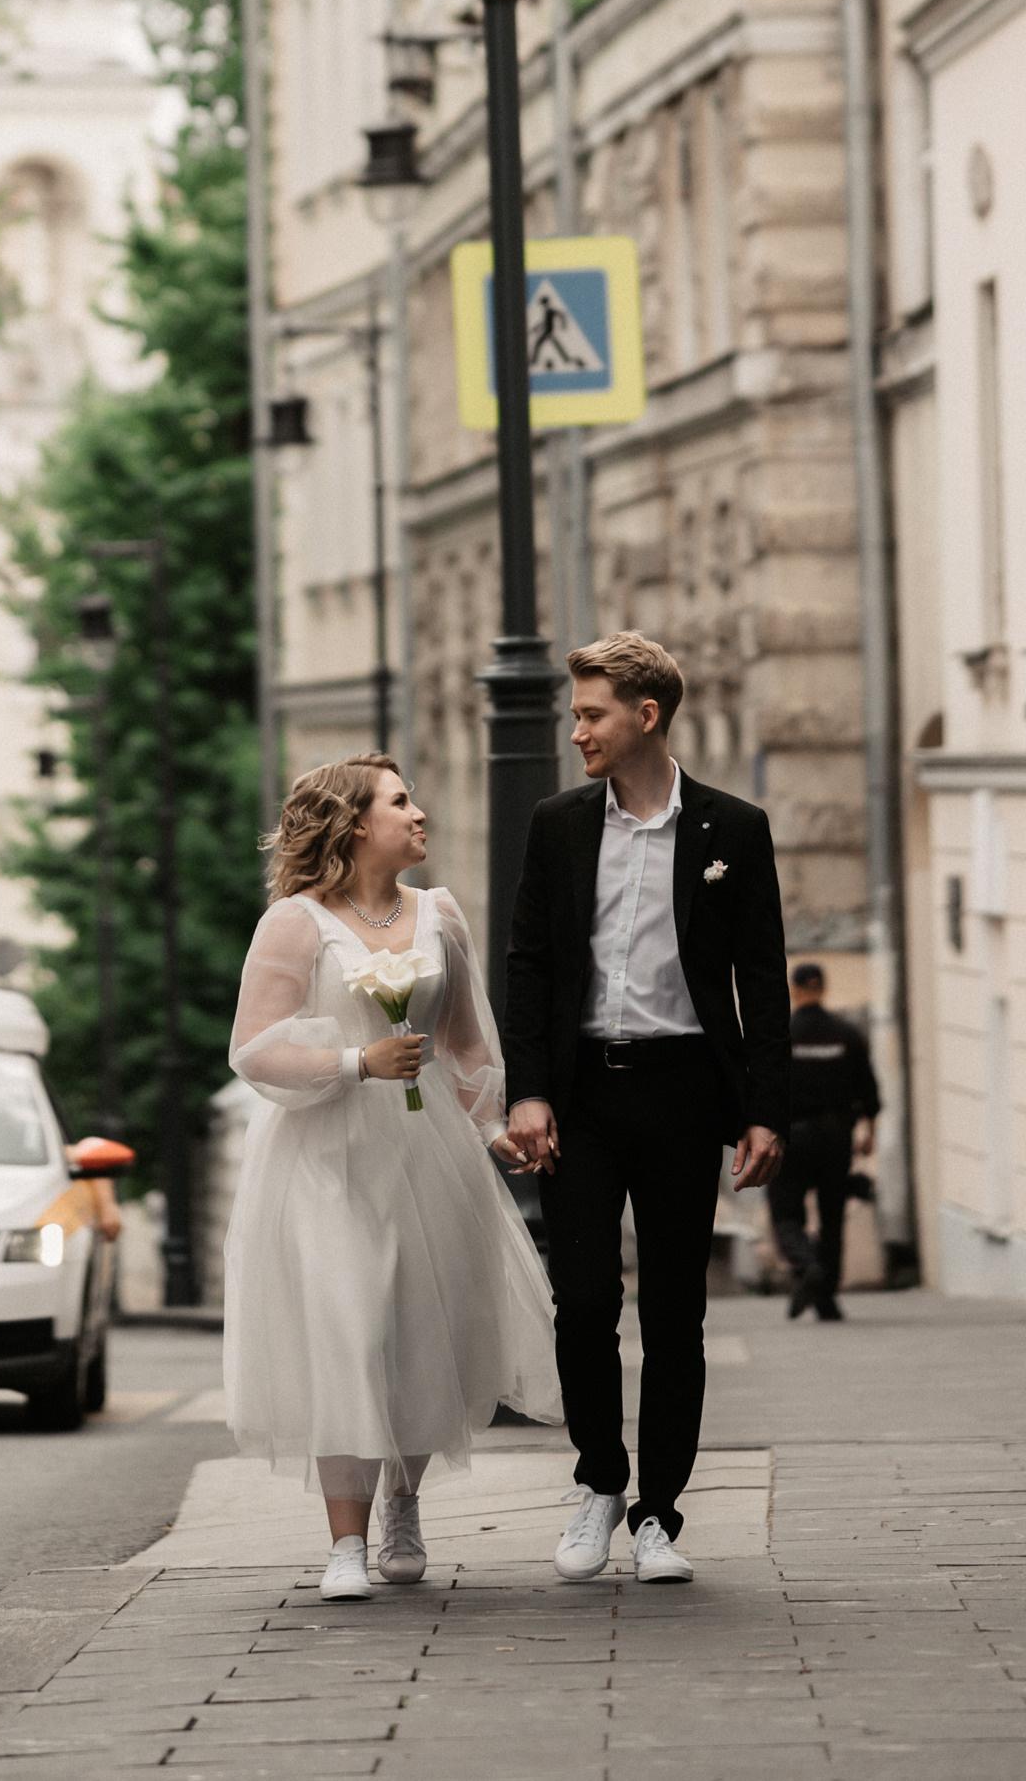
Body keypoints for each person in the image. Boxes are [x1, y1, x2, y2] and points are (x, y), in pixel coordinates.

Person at [223, 755, 560, 1602]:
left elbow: (465, 1040)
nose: (418, 814)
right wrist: (354, 1061)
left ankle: (402, 1506)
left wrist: (492, 1127)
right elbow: (253, 1048)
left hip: (426, 1149)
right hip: (326, 1157)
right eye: (399, 802)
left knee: (418, 1328)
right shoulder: (294, 923)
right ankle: (344, 1542)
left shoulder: (438, 914)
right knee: (349, 1326)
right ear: (352, 823)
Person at [503, 631, 790, 1588]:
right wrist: (528, 1090)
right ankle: (598, 1480)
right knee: (584, 1300)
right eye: (574, 714)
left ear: (646, 715)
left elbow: (762, 979)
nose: (576, 731)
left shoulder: (731, 829)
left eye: (591, 715)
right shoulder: (557, 823)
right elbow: (529, 964)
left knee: (675, 1312)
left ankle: (658, 1511)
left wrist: (764, 1110)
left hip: (681, 1091)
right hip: (582, 1094)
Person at [767, 960, 882, 1322]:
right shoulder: (846, 1033)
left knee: (786, 1214)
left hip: (792, 1137)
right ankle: (827, 1301)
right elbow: (869, 1092)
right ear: (823, 988)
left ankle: (806, 1263)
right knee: (832, 1218)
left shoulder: (782, 1034)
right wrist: (869, 1135)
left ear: (795, 990)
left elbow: (766, 1086)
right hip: (837, 1137)